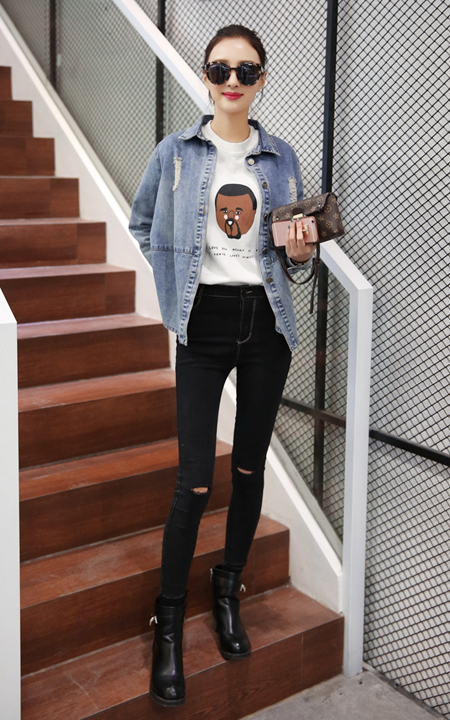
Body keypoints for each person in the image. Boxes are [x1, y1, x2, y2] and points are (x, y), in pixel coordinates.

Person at [129, 24, 316, 707]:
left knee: (248, 469)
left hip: (266, 324)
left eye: (246, 70)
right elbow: (143, 223)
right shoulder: (175, 153)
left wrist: (301, 253)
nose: (232, 81)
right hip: (202, 325)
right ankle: (170, 618)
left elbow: (294, 250)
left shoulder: (281, 157)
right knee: (194, 481)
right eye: (220, 69)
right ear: (205, 76)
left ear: (262, 79)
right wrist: (176, 285)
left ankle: (228, 586)